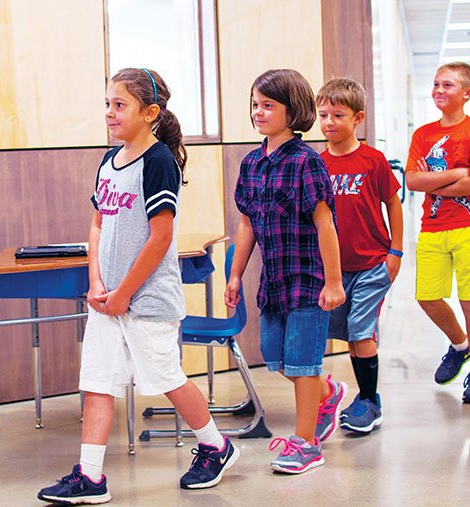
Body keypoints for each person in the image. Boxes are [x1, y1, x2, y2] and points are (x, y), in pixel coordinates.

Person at [38, 68, 239, 505]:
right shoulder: (108, 162)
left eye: (119, 105)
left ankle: (216, 447)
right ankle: (90, 477)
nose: (110, 113)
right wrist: (95, 281)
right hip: (106, 300)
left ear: (150, 112)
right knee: (97, 381)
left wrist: (126, 292)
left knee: (166, 377)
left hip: (145, 300)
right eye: (107, 104)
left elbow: (160, 237)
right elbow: (96, 224)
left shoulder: (158, 162)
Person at [225, 68, 346, 475]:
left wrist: (333, 282)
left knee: (302, 364)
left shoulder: (306, 162)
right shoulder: (252, 163)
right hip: (273, 281)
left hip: (308, 281)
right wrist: (236, 274)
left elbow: (324, 223)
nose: (258, 112)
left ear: (292, 111)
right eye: (255, 105)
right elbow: (247, 223)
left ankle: (306, 443)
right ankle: (328, 394)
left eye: (268, 106)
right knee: (275, 359)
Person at [316, 77, 404, 433]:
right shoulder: (317, 163)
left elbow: (393, 204)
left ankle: (370, 401)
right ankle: (358, 397)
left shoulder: (372, 160)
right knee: (349, 335)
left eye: (338, 115)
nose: (329, 123)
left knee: (360, 331)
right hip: (336, 269)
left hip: (372, 264)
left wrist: (395, 252)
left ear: (358, 118)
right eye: (323, 115)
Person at [406, 61, 470, 403]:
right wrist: (457, 172)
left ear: (466, 93)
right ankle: (460, 346)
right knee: (427, 296)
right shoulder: (423, 135)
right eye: (436, 84)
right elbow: (413, 180)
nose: (439, 91)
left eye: (448, 86)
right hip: (433, 227)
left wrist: (437, 183)